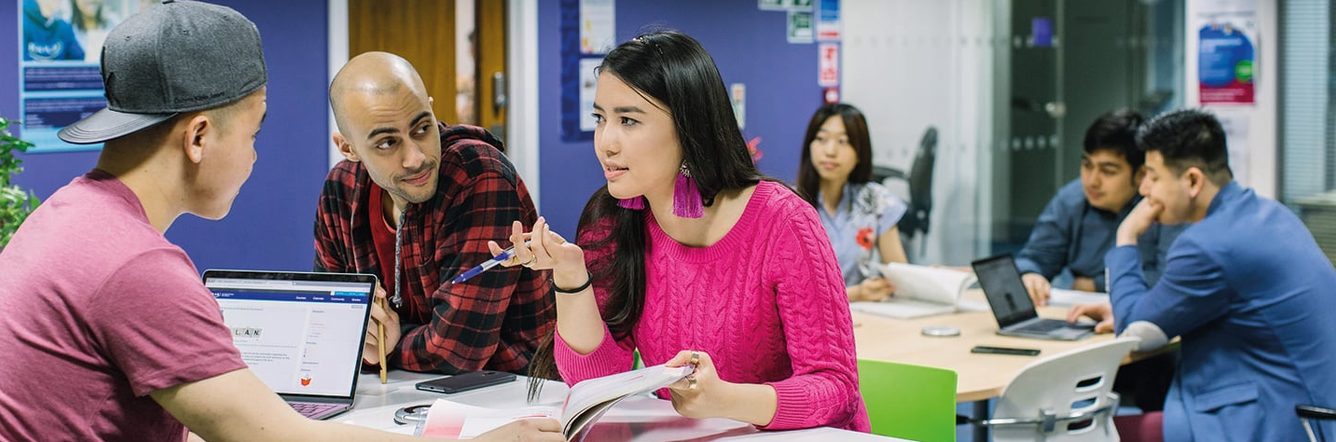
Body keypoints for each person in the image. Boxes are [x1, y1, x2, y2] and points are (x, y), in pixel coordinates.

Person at [0, 3, 559, 441]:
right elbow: (277, 436)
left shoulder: (64, 219)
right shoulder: (136, 267)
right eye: (254, 133)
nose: (254, 157)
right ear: (198, 138)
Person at [491, 31, 869, 432]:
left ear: (689, 128)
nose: (606, 142)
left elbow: (836, 388)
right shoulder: (613, 219)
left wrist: (725, 400)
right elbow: (594, 383)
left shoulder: (784, 221)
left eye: (629, 120)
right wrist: (571, 277)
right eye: (600, 118)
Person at [1069, 109, 1336, 441]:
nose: (1144, 189)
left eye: (1153, 175)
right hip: (1308, 411)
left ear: (1192, 181)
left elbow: (1135, 331)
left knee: (1076, 435)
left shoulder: (1208, 244)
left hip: (1270, 420)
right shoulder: (1269, 214)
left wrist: (1126, 237)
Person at [315, 51, 554, 375]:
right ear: (348, 148)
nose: (415, 158)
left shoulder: (477, 175)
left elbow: (457, 352)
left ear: (430, 107)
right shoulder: (340, 189)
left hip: (508, 394)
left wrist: (388, 344)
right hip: (391, 395)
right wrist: (359, 340)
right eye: (387, 143)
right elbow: (328, 322)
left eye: (422, 128)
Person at [1016, 109, 1183, 306]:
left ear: (1141, 174)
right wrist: (1030, 275)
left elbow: (1170, 282)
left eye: (1108, 171)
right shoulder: (1072, 199)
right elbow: (1035, 257)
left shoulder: (1164, 206)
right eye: (1087, 165)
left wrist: (1096, 284)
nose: (1092, 181)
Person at [796, 103, 909, 302]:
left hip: (865, 320)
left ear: (859, 152)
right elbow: (789, 296)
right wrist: (855, 294)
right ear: (809, 146)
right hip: (809, 325)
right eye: (821, 139)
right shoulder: (790, 206)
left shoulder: (876, 200)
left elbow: (900, 279)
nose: (830, 151)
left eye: (843, 141)